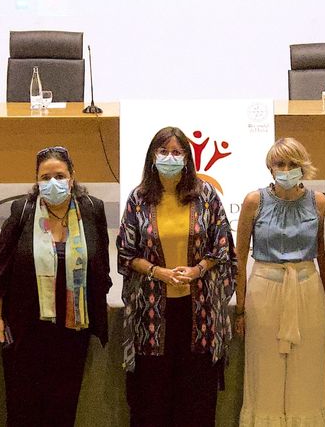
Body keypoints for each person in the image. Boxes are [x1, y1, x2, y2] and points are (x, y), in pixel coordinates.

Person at [117, 127, 238, 427]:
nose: (169, 158)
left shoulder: (205, 195)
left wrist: (197, 270)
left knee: (196, 402)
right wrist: (159, 273)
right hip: (151, 318)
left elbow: (222, 246)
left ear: (187, 157)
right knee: (151, 403)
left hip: (200, 316)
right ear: (152, 157)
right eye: (163, 152)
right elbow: (126, 254)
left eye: (176, 152)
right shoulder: (139, 198)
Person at [0, 146, 111, 427]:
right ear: (37, 181)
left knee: (63, 407)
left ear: (72, 177)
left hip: (72, 330)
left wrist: (100, 307)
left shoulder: (91, 209)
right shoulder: (23, 211)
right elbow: (0, 269)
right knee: (23, 408)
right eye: (45, 177)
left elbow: (101, 261)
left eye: (59, 175)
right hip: (25, 328)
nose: (52, 182)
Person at [234, 137, 325, 426]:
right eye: (280, 163)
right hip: (265, 289)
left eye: (292, 164)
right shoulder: (254, 201)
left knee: (308, 372)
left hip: (307, 287)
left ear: (303, 167)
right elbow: (239, 258)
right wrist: (239, 308)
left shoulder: (319, 202)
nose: (286, 169)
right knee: (265, 371)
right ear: (270, 167)